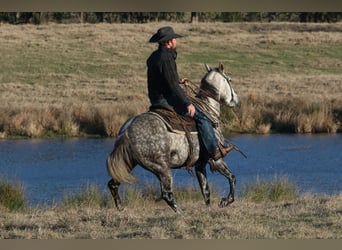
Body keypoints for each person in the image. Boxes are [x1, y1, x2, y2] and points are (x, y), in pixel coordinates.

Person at [146, 26, 233, 161]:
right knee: (202, 117)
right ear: (169, 42)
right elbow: (173, 86)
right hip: (166, 99)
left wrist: (178, 80)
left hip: (155, 98)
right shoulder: (166, 58)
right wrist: (187, 103)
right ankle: (214, 150)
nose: (176, 41)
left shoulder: (153, 57)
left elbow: (163, 78)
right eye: (174, 39)